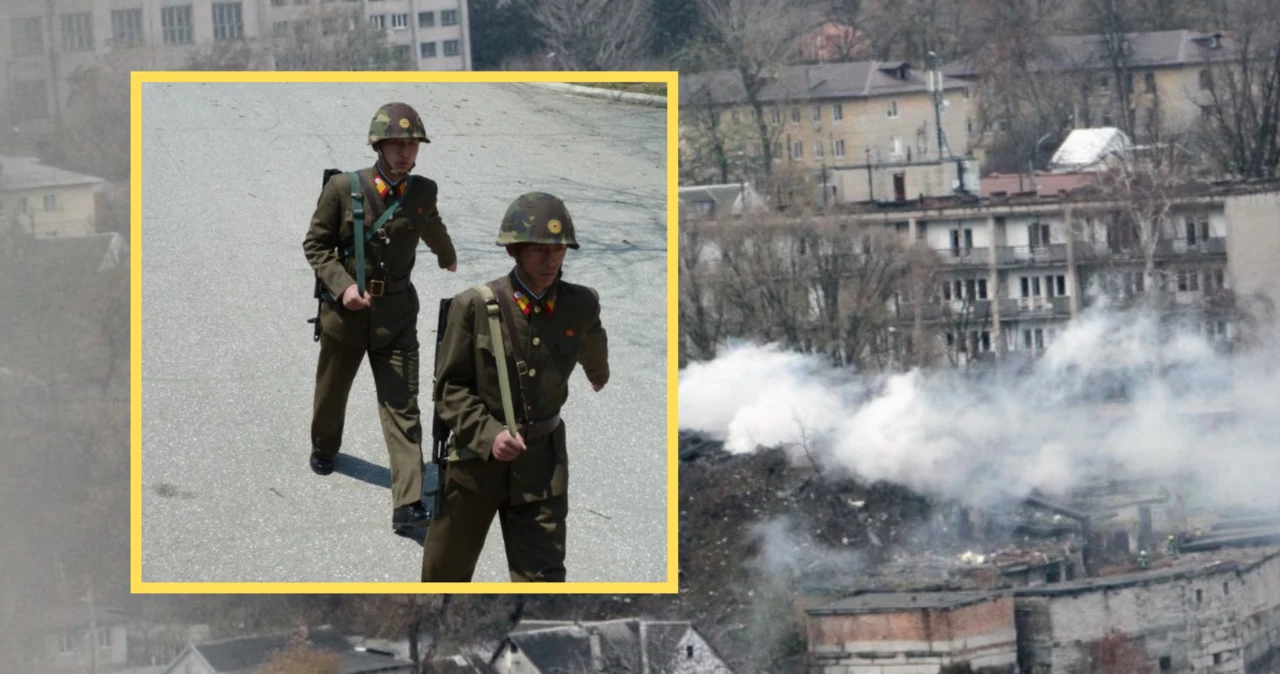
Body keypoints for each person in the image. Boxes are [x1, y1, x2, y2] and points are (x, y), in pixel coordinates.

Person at [422, 192, 609, 582]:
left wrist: (598, 372)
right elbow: (449, 390)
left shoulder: (581, 303)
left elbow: (591, 337)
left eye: (558, 248)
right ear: (515, 250)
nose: (551, 259)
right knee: (444, 579)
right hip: (475, 467)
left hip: (542, 467)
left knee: (544, 582)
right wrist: (490, 435)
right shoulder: (473, 306)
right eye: (539, 249)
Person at [302, 102, 457, 533]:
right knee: (331, 395)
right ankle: (324, 446)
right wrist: (344, 287)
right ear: (379, 145)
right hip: (345, 316)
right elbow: (315, 246)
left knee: (403, 406)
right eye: (397, 144)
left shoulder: (422, 191)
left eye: (412, 144)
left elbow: (430, 223)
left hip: (397, 318)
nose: (406, 152)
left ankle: (407, 503)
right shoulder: (342, 189)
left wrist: (446, 253)